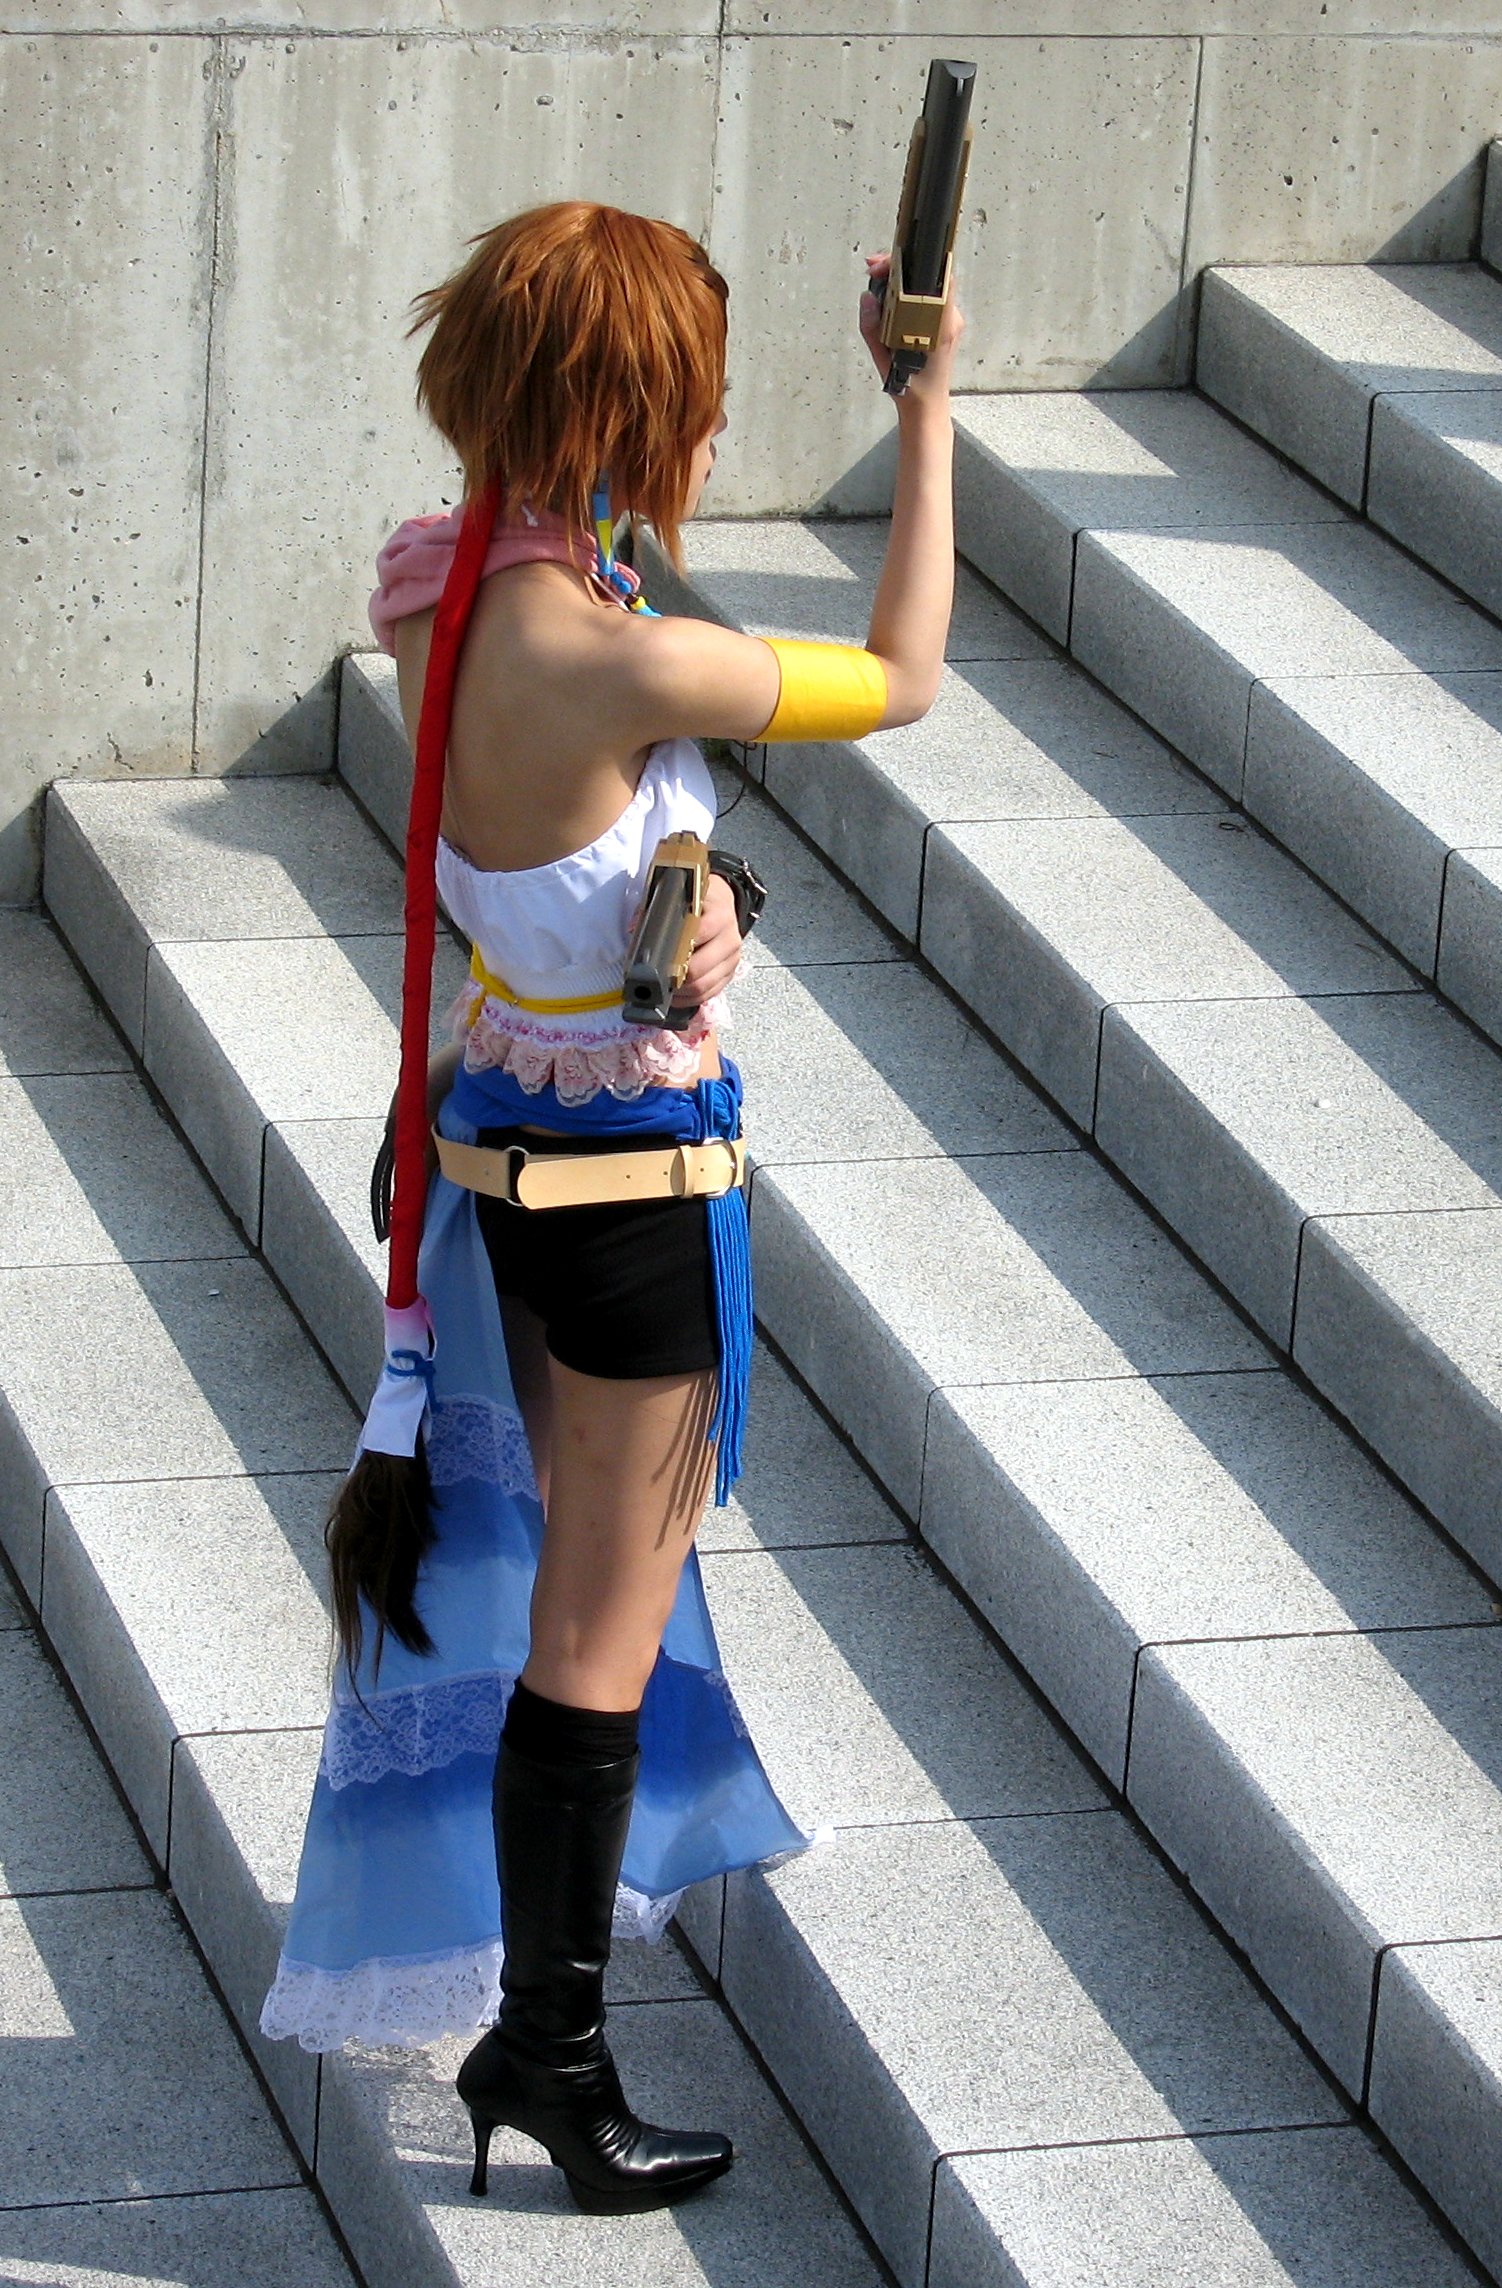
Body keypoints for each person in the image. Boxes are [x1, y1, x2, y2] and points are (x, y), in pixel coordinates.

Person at [260, 200, 960, 2215]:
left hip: (520, 1150)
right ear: (624, 410)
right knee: (598, 1634)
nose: (716, 437)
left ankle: (543, 2043)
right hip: (639, 1205)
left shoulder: (438, 591)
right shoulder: (623, 647)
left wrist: (711, 900)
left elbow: (565, 886)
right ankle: (552, 2058)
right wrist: (926, 408)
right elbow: (903, 674)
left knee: (579, 1600)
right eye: (696, 402)